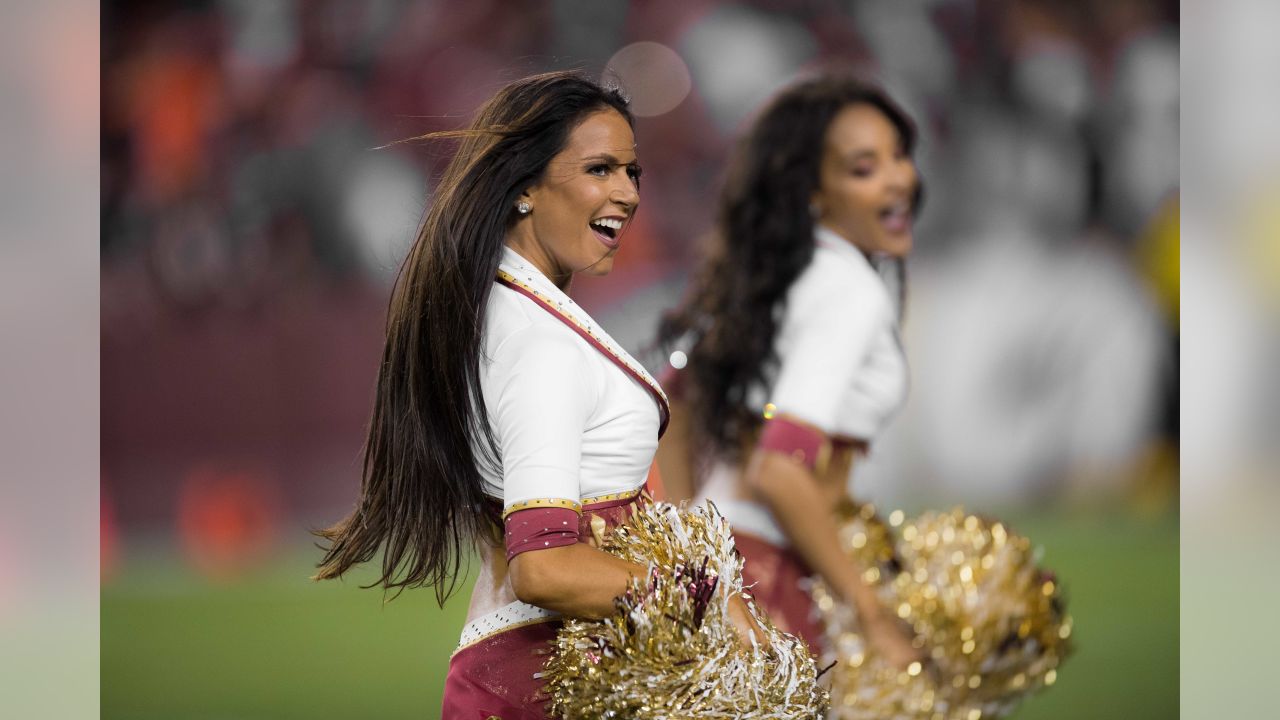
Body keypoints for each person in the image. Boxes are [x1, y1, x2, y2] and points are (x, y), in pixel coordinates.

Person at [312, 71, 762, 719]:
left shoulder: (513, 312)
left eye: (633, 172)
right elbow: (544, 568)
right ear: (525, 186)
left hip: (561, 671)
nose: (627, 194)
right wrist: (706, 600)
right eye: (600, 169)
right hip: (539, 679)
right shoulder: (539, 345)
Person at [656, 74, 926, 668]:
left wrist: (689, 548)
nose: (898, 180)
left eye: (898, 157)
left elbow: (670, 407)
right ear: (814, 191)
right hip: (768, 576)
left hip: (716, 572)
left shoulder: (768, 278)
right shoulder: (849, 289)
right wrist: (873, 613)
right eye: (863, 168)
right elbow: (779, 470)